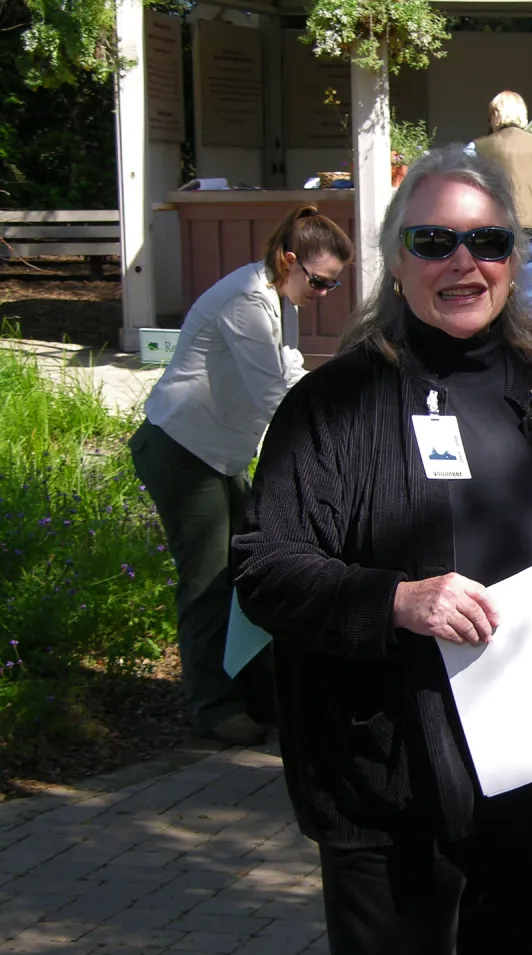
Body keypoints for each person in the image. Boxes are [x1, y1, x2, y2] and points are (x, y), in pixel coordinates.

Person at [229, 147, 532, 955]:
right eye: (434, 241)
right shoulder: (335, 404)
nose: (464, 263)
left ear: (514, 253)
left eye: (487, 240)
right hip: (392, 779)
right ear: (396, 257)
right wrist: (395, 601)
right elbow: (265, 566)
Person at [129, 204, 351, 746]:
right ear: (291, 260)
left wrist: (344, 393)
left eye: (333, 285)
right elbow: (273, 395)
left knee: (248, 574)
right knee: (207, 582)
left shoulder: (276, 295)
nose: (323, 293)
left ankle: (256, 692)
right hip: (183, 449)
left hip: (220, 455)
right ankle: (212, 705)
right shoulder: (247, 300)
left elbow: (289, 368)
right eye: (320, 281)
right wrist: (338, 442)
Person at [468, 89, 532, 315]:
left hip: (492, 228)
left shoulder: (477, 147)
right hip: (531, 227)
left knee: (492, 291)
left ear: (494, 115)